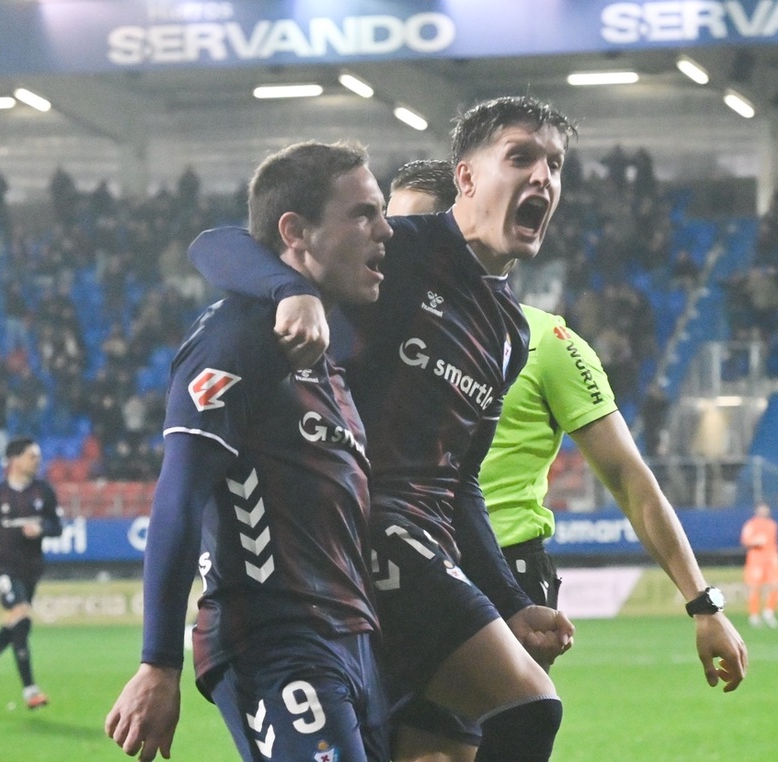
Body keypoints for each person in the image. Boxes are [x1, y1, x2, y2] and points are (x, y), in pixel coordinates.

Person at [190, 95, 584, 762]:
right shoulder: (401, 250)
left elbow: (460, 483)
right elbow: (216, 245)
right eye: (521, 157)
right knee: (529, 703)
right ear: (465, 178)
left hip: (431, 551)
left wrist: (512, 601)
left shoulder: (511, 333)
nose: (542, 176)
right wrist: (292, 291)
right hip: (368, 532)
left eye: (555, 163)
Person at [388, 161, 749, 761]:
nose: (393, 246)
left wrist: (701, 601)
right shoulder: (363, 331)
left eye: (413, 228)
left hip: (500, 571)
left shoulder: (543, 344)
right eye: (389, 228)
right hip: (393, 563)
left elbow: (630, 477)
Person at [106, 141, 392, 762]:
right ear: (296, 231)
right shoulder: (233, 339)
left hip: (356, 640)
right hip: (274, 639)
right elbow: (178, 496)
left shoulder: (330, 346)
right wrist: (157, 662)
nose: (385, 230)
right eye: (364, 214)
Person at [0, 436, 64, 710]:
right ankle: (31, 690)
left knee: (17, 625)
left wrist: (41, 529)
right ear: (15, 460)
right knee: (20, 618)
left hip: (31, 568)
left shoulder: (43, 491)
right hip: (3, 567)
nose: (37, 461)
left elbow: (58, 526)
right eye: (32, 456)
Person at [741, 502, 778, 627]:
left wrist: (777, 556)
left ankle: (769, 612)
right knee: (754, 586)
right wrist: (754, 541)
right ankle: (754, 615)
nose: (763, 512)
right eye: (761, 510)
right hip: (756, 558)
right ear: (757, 511)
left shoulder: (772, 525)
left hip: (770, 557)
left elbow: (774, 542)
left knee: (775, 585)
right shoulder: (750, 524)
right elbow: (745, 540)